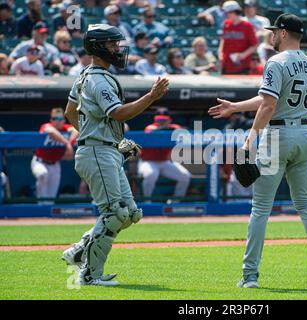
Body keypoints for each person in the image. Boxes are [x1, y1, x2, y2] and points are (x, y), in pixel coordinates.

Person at [208, 13, 307, 288]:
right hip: (304, 133)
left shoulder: (276, 61)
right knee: (305, 204)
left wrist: (248, 141)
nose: (272, 35)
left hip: (277, 135)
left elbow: (268, 106)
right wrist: (235, 106)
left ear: (285, 33)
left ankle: (250, 276)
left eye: (275, 31)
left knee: (261, 209)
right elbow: (268, 99)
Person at [62, 24, 169, 286]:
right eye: (112, 44)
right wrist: (151, 97)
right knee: (114, 213)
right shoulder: (97, 78)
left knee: (130, 213)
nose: (118, 49)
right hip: (97, 152)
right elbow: (119, 113)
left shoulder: (86, 75)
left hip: (101, 149)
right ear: (99, 47)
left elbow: (70, 113)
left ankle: (78, 251)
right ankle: (89, 274)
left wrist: (112, 139)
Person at [138, 108, 191, 201]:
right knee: (151, 174)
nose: (161, 122)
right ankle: (146, 200)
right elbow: (155, 131)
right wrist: (170, 129)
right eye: (159, 119)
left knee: (185, 176)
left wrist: (175, 129)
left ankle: (175, 201)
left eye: (164, 119)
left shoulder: (174, 127)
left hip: (164, 162)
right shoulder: (149, 128)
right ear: (155, 119)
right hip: (148, 162)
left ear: (169, 120)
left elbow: (183, 131)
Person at [31, 107, 78, 204]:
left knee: (51, 199)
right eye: (54, 119)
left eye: (60, 119)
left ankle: (47, 216)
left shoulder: (66, 128)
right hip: (40, 162)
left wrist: (71, 142)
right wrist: (68, 144)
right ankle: (40, 206)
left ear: (64, 120)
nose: (57, 121)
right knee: (42, 174)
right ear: (51, 120)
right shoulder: (46, 126)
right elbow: (51, 131)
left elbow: (76, 130)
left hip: (55, 165)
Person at [218, 1, 258, 75]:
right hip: (226, 64)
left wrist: (243, 54)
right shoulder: (226, 24)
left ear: (234, 12)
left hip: (242, 66)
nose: (225, 15)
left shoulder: (247, 26)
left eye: (227, 13)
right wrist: (220, 51)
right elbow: (223, 39)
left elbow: (254, 45)